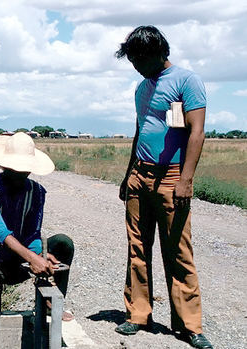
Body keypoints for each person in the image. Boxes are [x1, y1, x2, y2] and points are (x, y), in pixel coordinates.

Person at [114, 26, 212, 349]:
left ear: (159, 52)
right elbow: (140, 132)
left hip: (172, 177)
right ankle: (138, 314)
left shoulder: (187, 81)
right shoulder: (142, 88)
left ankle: (189, 325)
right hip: (140, 177)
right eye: (132, 61)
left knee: (178, 252)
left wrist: (186, 180)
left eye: (139, 59)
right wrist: (128, 175)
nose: (136, 67)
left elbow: (196, 132)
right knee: (137, 249)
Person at [0, 132, 74, 320]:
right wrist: (34, 258)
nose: (21, 174)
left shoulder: (36, 193)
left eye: (25, 169)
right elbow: (1, 234)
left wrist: (41, 256)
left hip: (19, 264)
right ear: (4, 166)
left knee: (63, 243)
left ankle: (51, 303)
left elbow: (32, 234)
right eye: (16, 169)